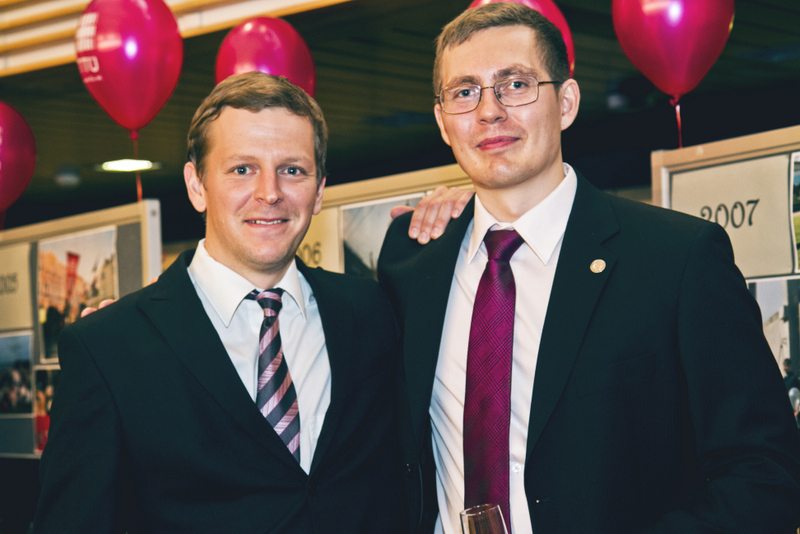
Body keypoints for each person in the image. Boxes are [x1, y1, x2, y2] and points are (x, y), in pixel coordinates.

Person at [378, 3, 800, 534]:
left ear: (567, 102)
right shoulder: (411, 260)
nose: (489, 111)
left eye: (515, 84)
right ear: (443, 121)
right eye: (465, 92)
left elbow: (765, 474)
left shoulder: (677, 258)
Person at [34, 72, 401, 534]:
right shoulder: (108, 349)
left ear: (320, 190)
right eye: (242, 169)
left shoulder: (370, 312)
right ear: (196, 185)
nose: (270, 192)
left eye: (292, 169)